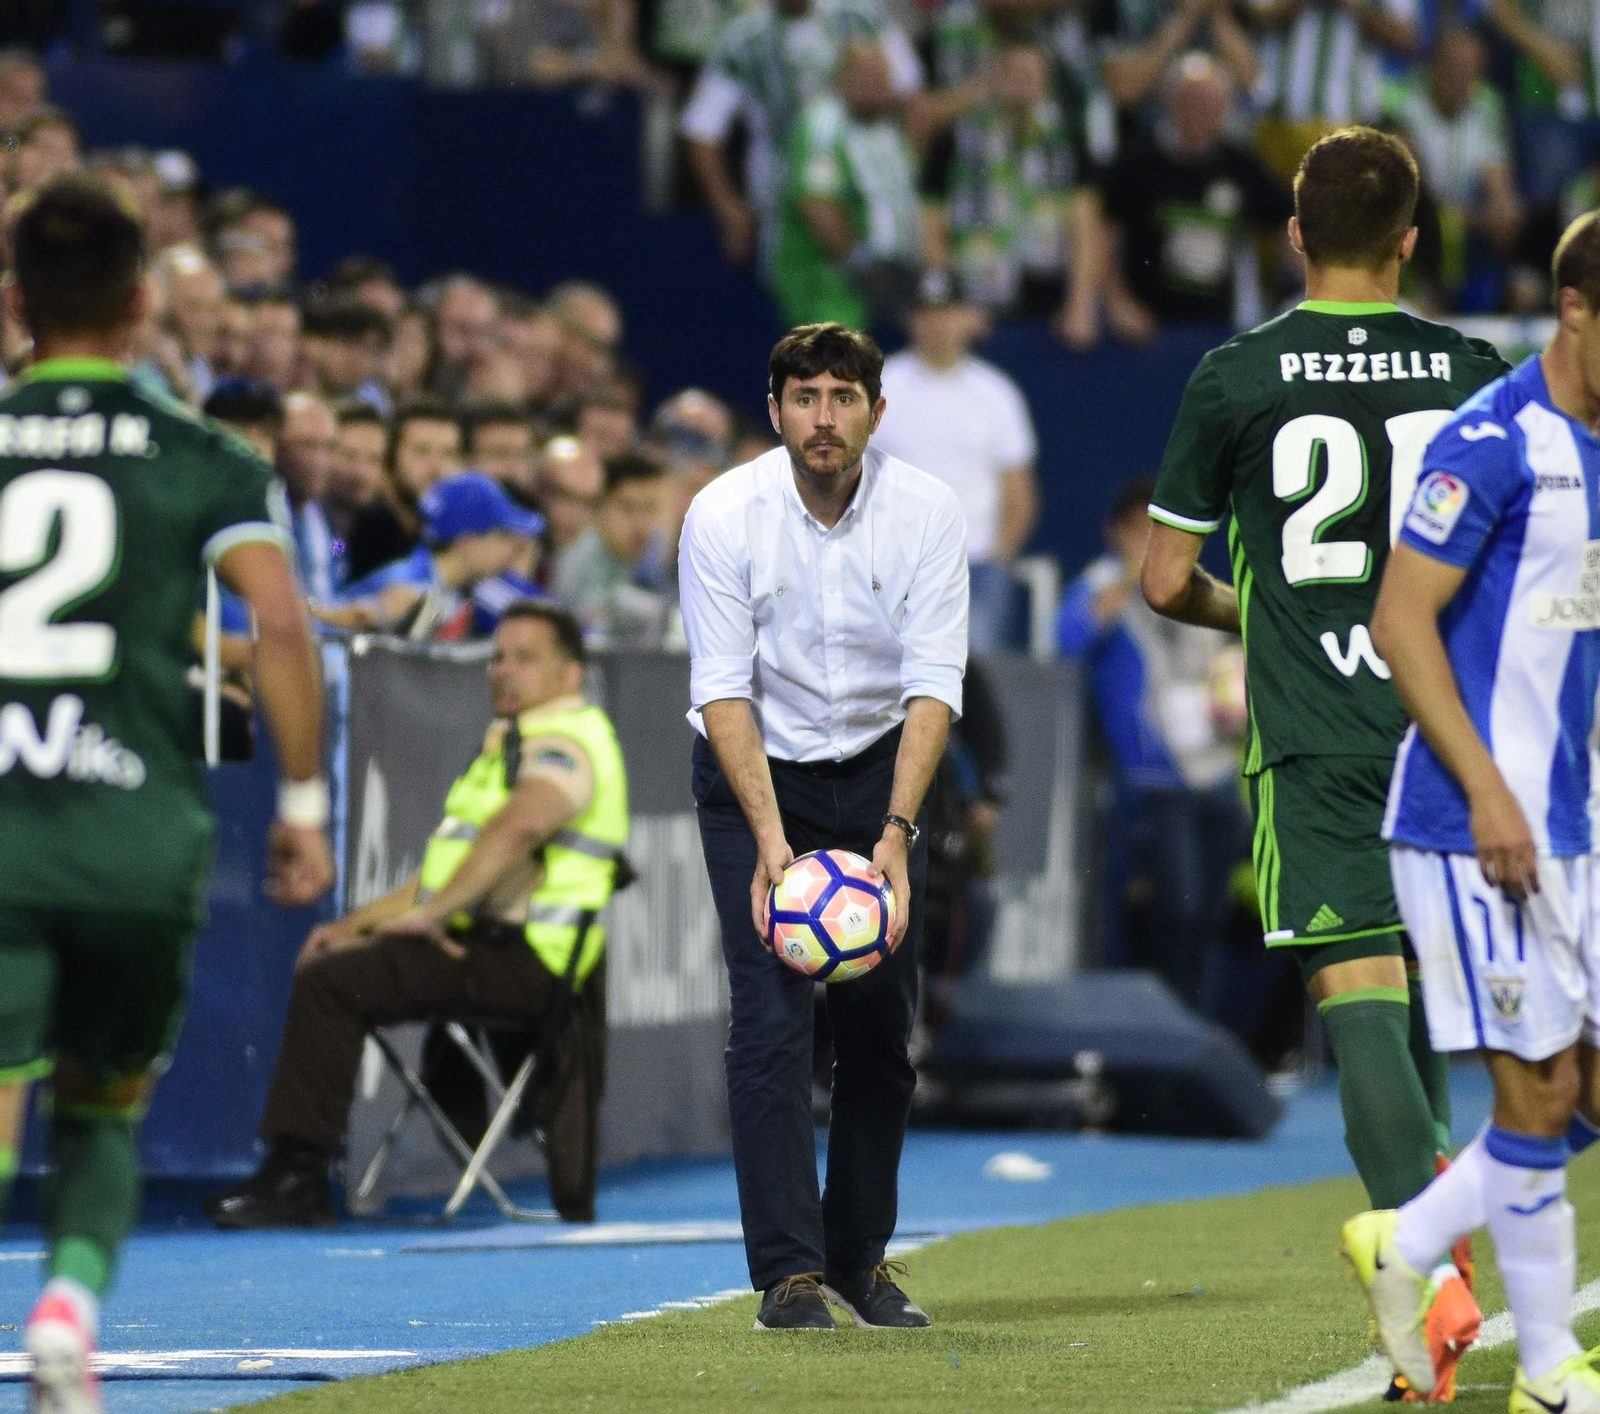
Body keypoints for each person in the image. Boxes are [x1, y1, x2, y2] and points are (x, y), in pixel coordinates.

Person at [1138, 126, 1508, 1401]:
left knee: (1357, 1002)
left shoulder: (1235, 375)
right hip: (1446, 737)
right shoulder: (1473, 369)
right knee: (1418, 1014)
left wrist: (1275, 610)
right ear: (1412, 240)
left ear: (1291, 235)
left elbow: (1162, 576)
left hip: (1314, 739)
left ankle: (1427, 1270)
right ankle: (1426, 1314)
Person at [0, 174, 333, 1414]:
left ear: (18, 299)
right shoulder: (205, 457)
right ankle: (66, 1313)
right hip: (137, 835)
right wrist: (301, 809)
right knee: (99, 1105)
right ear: (143, 302)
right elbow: (284, 629)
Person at [1344, 210, 1600, 1412]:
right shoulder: (1491, 440)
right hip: (1467, 822)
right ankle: (1548, 1371)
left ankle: (1403, 1246)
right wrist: (1492, 789)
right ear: (1573, 308)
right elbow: (1400, 623)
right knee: (1536, 1088)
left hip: (1575, 820)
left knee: (1582, 1092)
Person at [679, 322, 967, 1330]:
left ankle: (860, 1259)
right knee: (768, 1021)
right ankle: (788, 1274)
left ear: (875, 414)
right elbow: (721, 691)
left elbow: (935, 685)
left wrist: (894, 832)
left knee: (880, 1034)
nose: (823, 417)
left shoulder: (927, 511)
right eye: (804, 397)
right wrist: (771, 847)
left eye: (843, 398)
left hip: (879, 776)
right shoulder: (722, 513)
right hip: (755, 776)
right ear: (774, 410)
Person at [207, 603, 625, 1228]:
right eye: (498, 657)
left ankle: (298, 1177)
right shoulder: (505, 746)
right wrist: (348, 927)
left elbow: (522, 826)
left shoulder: (566, 740)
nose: (503, 671)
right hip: (487, 943)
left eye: (526, 658)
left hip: (529, 958)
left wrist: (434, 917)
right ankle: (298, 1171)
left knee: (332, 985)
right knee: (335, 959)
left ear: (570, 676)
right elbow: (438, 878)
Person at [1057, 478, 1249, 1008]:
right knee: (1175, 911)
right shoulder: (1100, 589)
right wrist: (1128, 575)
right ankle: (1160, 1027)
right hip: (1153, 782)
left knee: (1210, 915)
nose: (1149, 540)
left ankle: (1198, 1027)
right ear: (1114, 533)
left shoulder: (1202, 588)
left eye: (1158, 530)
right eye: (1138, 530)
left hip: (1215, 774)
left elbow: (1236, 663)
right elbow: (1067, 639)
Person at [872, 270, 1038, 653]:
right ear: (909, 318)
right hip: (888, 568)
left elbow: (1019, 494)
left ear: (970, 318)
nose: (937, 325)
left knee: (971, 680)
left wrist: (997, 559)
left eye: (947, 313)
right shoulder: (879, 386)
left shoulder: (996, 394)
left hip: (973, 568)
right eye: (926, 313)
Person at [1096, 52, 1292, 331]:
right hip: (1144, 330)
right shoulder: (1137, 161)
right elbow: (1105, 235)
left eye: (1211, 106)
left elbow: (1285, 226)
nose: (1199, 115)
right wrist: (1118, 302)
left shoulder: (1241, 166)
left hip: (1215, 329)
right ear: (1170, 102)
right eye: (1190, 102)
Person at [774, 42, 922, 331]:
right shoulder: (823, 124)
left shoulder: (884, 126)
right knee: (833, 368)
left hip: (885, 281)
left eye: (883, 77)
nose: (878, 86)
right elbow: (816, 202)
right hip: (829, 283)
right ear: (840, 79)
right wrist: (859, 262)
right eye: (866, 77)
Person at [322, 473, 541, 639]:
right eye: (503, 536)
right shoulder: (405, 584)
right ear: (466, 541)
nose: (514, 549)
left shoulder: (452, 588)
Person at [553, 452, 670, 646]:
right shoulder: (581, 558)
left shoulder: (641, 558)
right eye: (628, 508)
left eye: (650, 509)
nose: (641, 524)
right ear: (598, 507)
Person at [342, 398, 462, 584]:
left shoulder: (443, 532)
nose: (438, 469)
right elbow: (335, 552)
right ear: (389, 458)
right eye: (421, 451)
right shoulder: (361, 526)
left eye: (448, 454)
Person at [277, 391, 341, 603]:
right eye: (307, 446)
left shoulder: (325, 516)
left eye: (328, 447)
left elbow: (338, 552)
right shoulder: (260, 514)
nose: (321, 461)